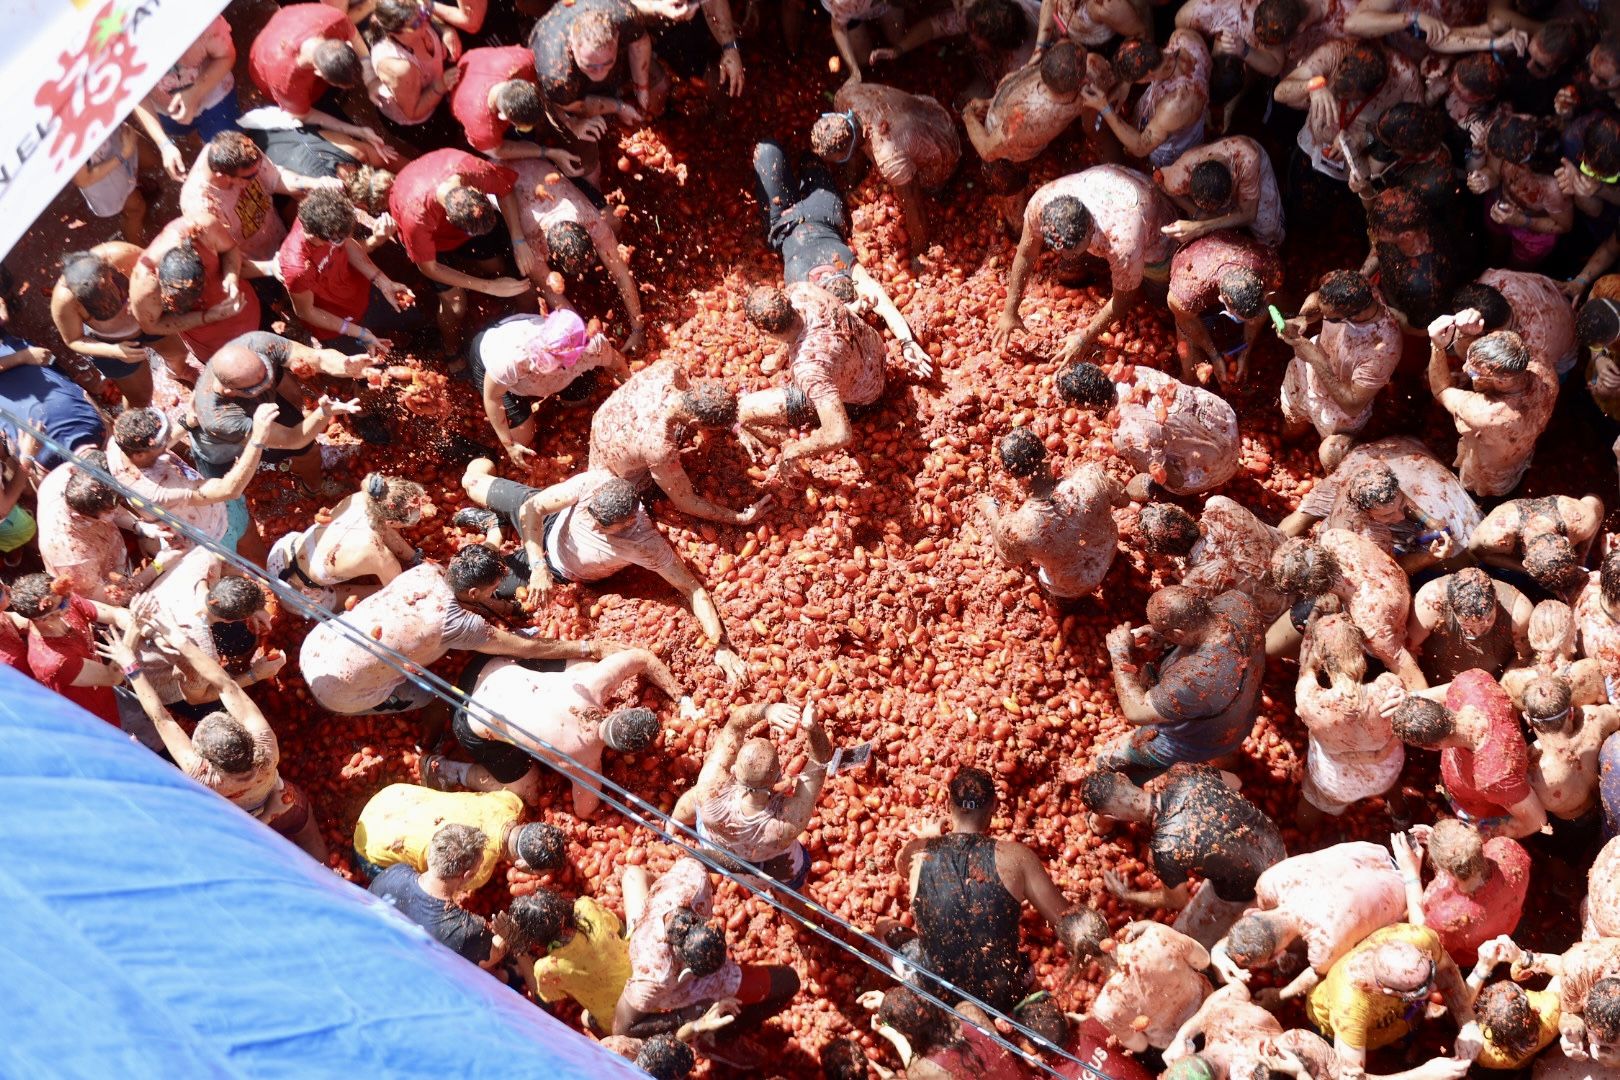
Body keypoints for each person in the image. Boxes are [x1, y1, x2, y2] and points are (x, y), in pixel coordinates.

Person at [456, 461, 747, 681]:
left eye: (600, 526)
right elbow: (531, 509)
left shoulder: (644, 544)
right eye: (591, 515)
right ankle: (495, 517)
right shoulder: (596, 483)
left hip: (562, 571)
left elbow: (691, 588)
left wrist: (720, 644)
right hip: (549, 523)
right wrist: (537, 565)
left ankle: (494, 528)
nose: (591, 524)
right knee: (471, 482)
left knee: (476, 598)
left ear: (627, 522)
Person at [298, 545, 603, 715]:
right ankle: (375, 706)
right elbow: (525, 648)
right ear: (472, 593)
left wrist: (507, 609)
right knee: (426, 697)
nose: (498, 591)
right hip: (340, 693)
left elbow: (458, 601)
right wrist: (587, 648)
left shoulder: (424, 571)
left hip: (316, 645)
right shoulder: (454, 623)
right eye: (493, 589)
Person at [116, 618, 327, 860]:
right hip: (285, 804)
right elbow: (227, 687)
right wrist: (181, 641)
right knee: (306, 826)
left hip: (245, 831)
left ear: (206, 760)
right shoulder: (267, 749)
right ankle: (332, 880)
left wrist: (130, 666)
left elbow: (161, 719)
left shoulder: (202, 775)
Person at [895, 766, 1090, 1012]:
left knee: (884, 927)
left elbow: (901, 867)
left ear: (948, 804)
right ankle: (1025, 1009)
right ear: (995, 806)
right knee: (1023, 978)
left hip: (936, 990)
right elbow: (1067, 921)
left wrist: (928, 837)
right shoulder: (1017, 857)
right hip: (1003, 992)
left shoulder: (919, 851)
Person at [748, 141, 930, 373]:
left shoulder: (805, 298)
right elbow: (884, 305)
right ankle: (807, 154)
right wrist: (907, 341)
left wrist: (774, 362)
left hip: (783, 225)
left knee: (767, 152)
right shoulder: (847, 268)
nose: (827, 277)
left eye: (826, 282)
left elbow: (791, 334)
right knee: (812, 161)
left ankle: (793, 154)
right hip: (824, 213)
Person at [440, 645, 682, 814]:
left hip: (486, 666)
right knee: (531, 796)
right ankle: (451, 771)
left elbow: (640, 656)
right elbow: (584, 809)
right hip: (469, 723)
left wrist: (681, 698)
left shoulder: (594, 683)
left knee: (583, 667)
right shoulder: (586, 762)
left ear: (620, 712)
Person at [1080, 765, 1285, 948]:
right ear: (1125, 779)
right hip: (1276, 849)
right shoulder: (1183, 773)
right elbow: (1235, 782)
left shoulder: (1164, 849)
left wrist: (1127, 895)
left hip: (1248, 889)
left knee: (1186, 935)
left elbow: (1177, 901)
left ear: (1111, 817)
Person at [993, 165, 1177, 362]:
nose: (1064, 255)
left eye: (1072, 250)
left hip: (1157, 233)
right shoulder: (1044, 201)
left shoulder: (1123, 242)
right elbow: (1026, 254)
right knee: (1072, 262)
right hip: (1110, 187)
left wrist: (1084, 338)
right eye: (1059, 249)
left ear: (1091, 229)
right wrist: (1010, 311)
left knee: (1158, 296)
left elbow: (1122, 301)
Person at [737, 282, 923, 466]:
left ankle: (779, 436)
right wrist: (779, 359)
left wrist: (793, 451)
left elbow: (839, 434)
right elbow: (797, 329)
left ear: (763, 331)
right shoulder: (802, 291)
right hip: (873, 357)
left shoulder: (808, 369)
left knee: (743, 409)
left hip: (861, 400)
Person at [613, 855, 800, 1036]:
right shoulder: (655, 975)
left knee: (633, 875)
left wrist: (761, 869)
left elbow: (700, 855)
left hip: (650, 916)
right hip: (653, 959)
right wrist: (687, 1015)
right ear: (687, 971)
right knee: (789, 982)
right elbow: (621, 1028)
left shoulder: (692, 883)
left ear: (710, 924)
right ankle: (723, 1036)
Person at [1100, 586, 1265, 781]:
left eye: (1167, 632)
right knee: (1226, 743)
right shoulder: (1238, 602)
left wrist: (1119, 655)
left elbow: (1136, 711)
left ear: (1178, 633)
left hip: (1191, 741)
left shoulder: (1195, 678)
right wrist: (1162, 635)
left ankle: (1126, 783)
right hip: (1242, 717)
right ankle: (1229, 760)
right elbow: (1200, 621)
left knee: (1111, 758)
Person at [1209, 842, 1409, 1000]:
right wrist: (1220, 950)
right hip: (1378, 853)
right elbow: (1257, 918)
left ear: (1278, 954)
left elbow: (1317, 973)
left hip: (1405, 890)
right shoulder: (1271, 881)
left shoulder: (1325, 946)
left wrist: (1280, 996)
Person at [184, 331, 371, 495]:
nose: (270, 381)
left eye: (268, 373)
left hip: (262, 409)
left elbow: (316, 358)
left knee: (306, 450)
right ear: (230, 391)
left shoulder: (256, 343)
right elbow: (293, 439)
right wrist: (324, 412)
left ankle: (306, 481)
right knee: (223, 500)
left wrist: (346, 365)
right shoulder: (219, 417)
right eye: (261, 385)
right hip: (221, 446)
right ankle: (312, 488)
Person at [672, 700, 832, 888]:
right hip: (769, 870)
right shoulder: (786, 824)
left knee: (695, 797)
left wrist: (767, 710)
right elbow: (820, 760)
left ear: (733, 770)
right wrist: (811, 727)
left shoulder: (710, 788)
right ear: (778, 780)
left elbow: (735, 724)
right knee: (792, 888)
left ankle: (672, 825)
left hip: (716, 851)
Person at [386, 148, 531, 348]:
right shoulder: (416, 217)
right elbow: (430, 268)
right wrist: (489, 287)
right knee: (455, 304)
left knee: (495, 266)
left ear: (476, 190)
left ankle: (506, 303)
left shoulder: (473, 170)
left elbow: (505, 189)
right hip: (432, 241)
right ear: (447, 218)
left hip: (466, 219)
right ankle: (451, 348)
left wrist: (518, 239)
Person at [1303, 921, 1482, 1076]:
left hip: (1396, 1016)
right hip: (1335, 1027)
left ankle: (1402, 1040)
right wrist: (1424, 1074)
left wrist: (1468, 1023)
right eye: (1418, 993)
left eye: (1431, 976)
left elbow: (1447, 971)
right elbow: (1348, 1077)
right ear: (1387, 990)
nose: (1434, 988)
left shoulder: (1419, 939)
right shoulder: (1350, 1007)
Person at [1389, 670, 1549, 838]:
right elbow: (1452, 689)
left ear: (1432, 747)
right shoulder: (1471, 684)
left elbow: (1536, 821)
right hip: (1470, 788)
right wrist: (1413, 697)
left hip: (1487, 808)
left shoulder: (1494, 777)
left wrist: (1469, 838)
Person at [811, 82, 961, 260]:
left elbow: (915, 210)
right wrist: (851, 185)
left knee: (929, 189)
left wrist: (917, 255)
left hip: (944, 146)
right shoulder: (845, 97)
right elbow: (856, 149)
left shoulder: (889, 156)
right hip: (930, 109)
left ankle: (942, 188)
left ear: (846, 153)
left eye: (840, 159)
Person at [978, 427, 1127, 601]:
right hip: (1109, 552)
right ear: (1046, 454)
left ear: (1011, 474)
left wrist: (991, 511)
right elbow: (1124, 500)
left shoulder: (1018, 528)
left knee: (1061, 597)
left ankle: (1067, 604)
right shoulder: (1090, 477)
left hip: (1070, 586)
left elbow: (1008, 559)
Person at [109, 404, 276, 557]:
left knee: (250, 537)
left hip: (204, 501)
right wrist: (258, 439)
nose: (167, 441)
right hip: (213, 533)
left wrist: (187, 422)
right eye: (162, 443)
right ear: (140, 455)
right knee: (236, 559)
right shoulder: (158, 492)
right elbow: (229, 490)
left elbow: (156, 445)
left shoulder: (118, 444)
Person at [1057, 360, 1239, 497]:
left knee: (1144, 483)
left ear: (1086, 406)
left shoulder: (1124, 435)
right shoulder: (1137, 373)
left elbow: (1173, 478)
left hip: (1215, 470)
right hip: (1227, 423)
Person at [472, 308, 630, 464]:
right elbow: (492, 397)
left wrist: (632, 392)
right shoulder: (513, 358)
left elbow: (618, 365)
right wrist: (509, 445)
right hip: (494, 365)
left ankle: (548, 396)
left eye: (549, 363)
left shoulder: (592, 347)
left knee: (580, 400)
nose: (538, 365)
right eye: (540, 360)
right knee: (522, 439)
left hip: (542, 378)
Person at [1270, 532, 1426, 689]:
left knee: (1269, 647)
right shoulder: (1335, 538)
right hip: (1396, 592)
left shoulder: (1369, 626)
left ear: (1309, 591)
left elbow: (1411, 676)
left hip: (1387, 625)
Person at [1294, 613, 1408, 827]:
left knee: (1315, 800)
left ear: (1322, 658)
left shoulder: (1310, 699)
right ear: (1361, 652)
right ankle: (1401, 817)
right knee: (1390, 783)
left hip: (1337, 780)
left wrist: (1312, 633)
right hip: (1384, 770)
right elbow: (1408, 683)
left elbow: (1306, 667)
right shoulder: (1388, 688)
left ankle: (1303, 831)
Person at [509, 160, 643, 340]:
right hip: (504, 191)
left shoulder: (591, 221)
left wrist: (637, 328)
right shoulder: (533, 245)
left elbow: (621, 274)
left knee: (613, 220)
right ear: (551, 253)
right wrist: (583, 338)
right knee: (529, 289)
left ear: (587, 233)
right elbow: (551, 293)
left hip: (544, 171)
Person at [267, 473, 433, 613]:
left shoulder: (362, 498)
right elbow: (401, 592)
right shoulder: (380, 556)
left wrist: (416, 558)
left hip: (280, 556)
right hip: (295, 596)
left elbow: (379, 519)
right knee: (380, 593)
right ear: (392, 522)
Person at [276, 188, 417, 352]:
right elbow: (307, 312)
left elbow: (348, 244)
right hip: (337, 324)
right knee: (375, 366)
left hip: (363, 294)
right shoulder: (297, 266)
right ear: (314, 236)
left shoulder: (326, 217)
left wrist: (382, 281)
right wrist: (360, 333)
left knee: (416, 321)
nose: (346, 239)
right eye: (339, 239)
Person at [51, 245, 191, 409]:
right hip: (110, 341)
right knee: (140, 397)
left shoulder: (122, 255)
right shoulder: (64, 302)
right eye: (98, 307)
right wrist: (115, 351)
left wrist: (143, 294)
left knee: (179, 352)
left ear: (108, 276)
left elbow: (161, 273)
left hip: (148, 318)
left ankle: (178, 371)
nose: (107, 306)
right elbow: (73, 340)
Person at [352, 783, 566, 886]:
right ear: (521, 866)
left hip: (393, 797)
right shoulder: (479, 870)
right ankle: (355, 859)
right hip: (370, 847)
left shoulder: (511, 803)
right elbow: (440, 888)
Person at [1279, 270, 1402, 442]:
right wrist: (1303, 318)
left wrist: (1315, 358)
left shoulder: (1383, 348)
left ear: (1353, 316)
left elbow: (1352, 405)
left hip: (1337, 408)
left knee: (1330, 451)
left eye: (1331, 318)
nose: (1325, 317)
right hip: (1306, 375)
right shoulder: (1351, 288)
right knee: (1292, 426)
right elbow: (1318, 299)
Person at [1274, 39, 1422, 182]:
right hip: (1311, 148)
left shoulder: (1405, 77)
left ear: (1371, 91)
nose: (1338, 97)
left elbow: (1406, 139)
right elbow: (1279, 93)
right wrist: (1313, 86)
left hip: (1355, 172)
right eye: (1336, 90)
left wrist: (1363, 139)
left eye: (1348, 96)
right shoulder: (1336, 51)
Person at [369, 823, 509, 968]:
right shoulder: (464, 930)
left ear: (430, 855)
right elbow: (491, 957)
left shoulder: (396, 872)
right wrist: (508, 934)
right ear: (467, 875)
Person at [179, 131, 333, 263]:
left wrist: (316, 183)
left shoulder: (240, 148)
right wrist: (271, 268)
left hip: (277, 232)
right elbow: (223, 257)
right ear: (223, 176)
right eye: (250, 176)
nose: (258, 174)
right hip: (254, 262)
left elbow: (275, 179)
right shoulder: (200, 206)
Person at [1393, 818, 1529, 967]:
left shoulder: (1448, 916)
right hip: (1508, 926)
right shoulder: (1507, 850)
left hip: (1474, 956)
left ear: (1444, 870)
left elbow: (1422, 938)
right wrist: (1448, 842)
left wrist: (1411, 874)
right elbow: (1470, 861)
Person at [128, 218, 261, 364]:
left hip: (249, 309)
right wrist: (207, 316)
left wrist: (231, 276)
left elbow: (229, 249)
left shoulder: (202, 230)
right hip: (213, 346)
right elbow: (152, 326)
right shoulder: (145, 285)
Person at [1137, 499, 1290, 624]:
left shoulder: (1194, 584)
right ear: (1182, 512)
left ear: (1166, 553)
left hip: (1282, 615)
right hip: (1295, 561)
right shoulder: (1219, 504)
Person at [9, 573, 129, 727]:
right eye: (63, 603)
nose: (69, 601)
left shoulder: (62, 600)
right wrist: (132, 633)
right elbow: (113, 676)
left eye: (66, 596)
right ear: (44, 619)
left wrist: (137, 618)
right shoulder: (54, 661)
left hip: (112, 694)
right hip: (99, 723)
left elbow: (115, 614)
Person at [1166, 229, 1280, 388]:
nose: (1252, 321)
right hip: (1192, 260)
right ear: (1221, 301)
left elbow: (1271, 297)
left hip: (1231, 247)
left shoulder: (1266, 265)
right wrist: (1214, 355)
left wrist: (1245, 352)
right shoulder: (1188, 291)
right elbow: (1184, 318)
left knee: (1281, 302)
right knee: (1192, 373)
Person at [35, 454, 149, 606]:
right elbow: (110, 602)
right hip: (101, 588)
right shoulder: (70, 557)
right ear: (80, 516)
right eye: (110, 513)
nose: (115, 513)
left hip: (113, 551)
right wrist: (160, 565)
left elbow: (109, 503)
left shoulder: (73, 476)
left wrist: (139, 526)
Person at [1084, 31, 1211, 168]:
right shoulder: (1182, 37)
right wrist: (1127, 82)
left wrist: (1105, 108)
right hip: (1184, 108)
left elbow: (1141, 148)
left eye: (1134, 80)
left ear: (1149, 76)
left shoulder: (1174, 104)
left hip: (1172, 147)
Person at [1086, 918, 1212, 1053]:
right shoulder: (1158, 937)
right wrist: (1153, 927)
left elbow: (1141, 1045)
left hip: (1178, 1047)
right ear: (1105, 922)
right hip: (1210, 1008)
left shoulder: (1104, 1007)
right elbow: (1203, 960)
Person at [517, 886, 633, 1032]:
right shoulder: (585, 906)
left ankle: (609, 1034)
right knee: (632, 875)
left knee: (585, 1018)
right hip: (643, 977)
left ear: (534, 941)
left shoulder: (546, 968)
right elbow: (619, 927)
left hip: (619, 1019)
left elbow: (545, 1007)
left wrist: (519, 951)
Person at [961, 41, 1087, 165]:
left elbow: (987, 151)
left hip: (1009, 138)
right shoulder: (1082, 89)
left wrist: (968, 115)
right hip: (1015, 121)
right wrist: (989, 102)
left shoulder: (1024, 116)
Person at [1407, 567, 1533, 684]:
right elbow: (1407, 649)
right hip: (1435, 681)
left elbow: (1525, 657)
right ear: (1451, 608)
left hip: (1490, 685)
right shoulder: (1432, 603)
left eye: (1488, 619)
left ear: (1496, 600)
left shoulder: (1518, 613)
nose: (1478, 631)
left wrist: (1502, 685)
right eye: (1467, 625)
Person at [1156, 135, 1286, 248]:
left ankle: (1275, 246)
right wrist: (1199, 213)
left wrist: (1201, 227)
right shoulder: (1181, 174)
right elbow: (1159, 182)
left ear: (1234, 178)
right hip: (1212, 195)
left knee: (1269, 228)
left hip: (1253, 172)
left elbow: (1249, 214)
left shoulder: (1247, 160)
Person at [248, 3, 369, 123]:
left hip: (292, 22)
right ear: (319, 73)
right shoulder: (285, 80)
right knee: (320, 108)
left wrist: (370, 77)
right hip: (270, 71)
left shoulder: (336, 19)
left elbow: (355, 37)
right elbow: (301, 115)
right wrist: (356, 131)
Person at [1524, 674, 1620, 824]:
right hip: (1609, 800)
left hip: (1574, 824)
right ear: (1571, 712)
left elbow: (1526, 811)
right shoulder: (1594, 718)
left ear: (1528, 719)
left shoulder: (1531, 770)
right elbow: (1616, 714)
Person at [1468, 495, 1604, 594]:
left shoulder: (1579, 521)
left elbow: (1595, 501)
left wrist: (1582, 557)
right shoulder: (1493, 535)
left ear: (1567, 541)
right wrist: (1523, 570)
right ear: (1526, 563)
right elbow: (1477, 553)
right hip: (1506, 514)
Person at [139, 16, 240, 149]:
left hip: (215, 100)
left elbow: (226, 56)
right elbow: (133, 96)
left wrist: (195, 92)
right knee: (189, 135)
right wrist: (163, 144)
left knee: (230, 149)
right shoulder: (119, 47)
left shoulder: (200, 17)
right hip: (165, 111)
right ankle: (199, 139)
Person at [450, 45, 555, 160]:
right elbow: (498, 151)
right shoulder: (481, 127)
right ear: (503, 116)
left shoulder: (522, 61)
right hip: (456, 92)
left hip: (471, 60)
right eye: (525, 127)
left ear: (530, 84)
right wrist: (546, 152)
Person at [365, 0, 460, 127]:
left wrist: (446, 30)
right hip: (421, 122)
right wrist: (442, 84)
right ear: (393, 33)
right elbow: (413, 112)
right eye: (416, 24)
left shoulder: (418, 20)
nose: (425, 22)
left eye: (425, 13)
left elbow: (428, 21)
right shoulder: (400, 66)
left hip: (438, 92)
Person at [72, 123, 147, 243]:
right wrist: (123, 155)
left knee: (153, 160)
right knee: (136, 209)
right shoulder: (65, 137)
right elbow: (83, 179)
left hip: (114, 139)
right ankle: (138, 252)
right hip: (103, 174)